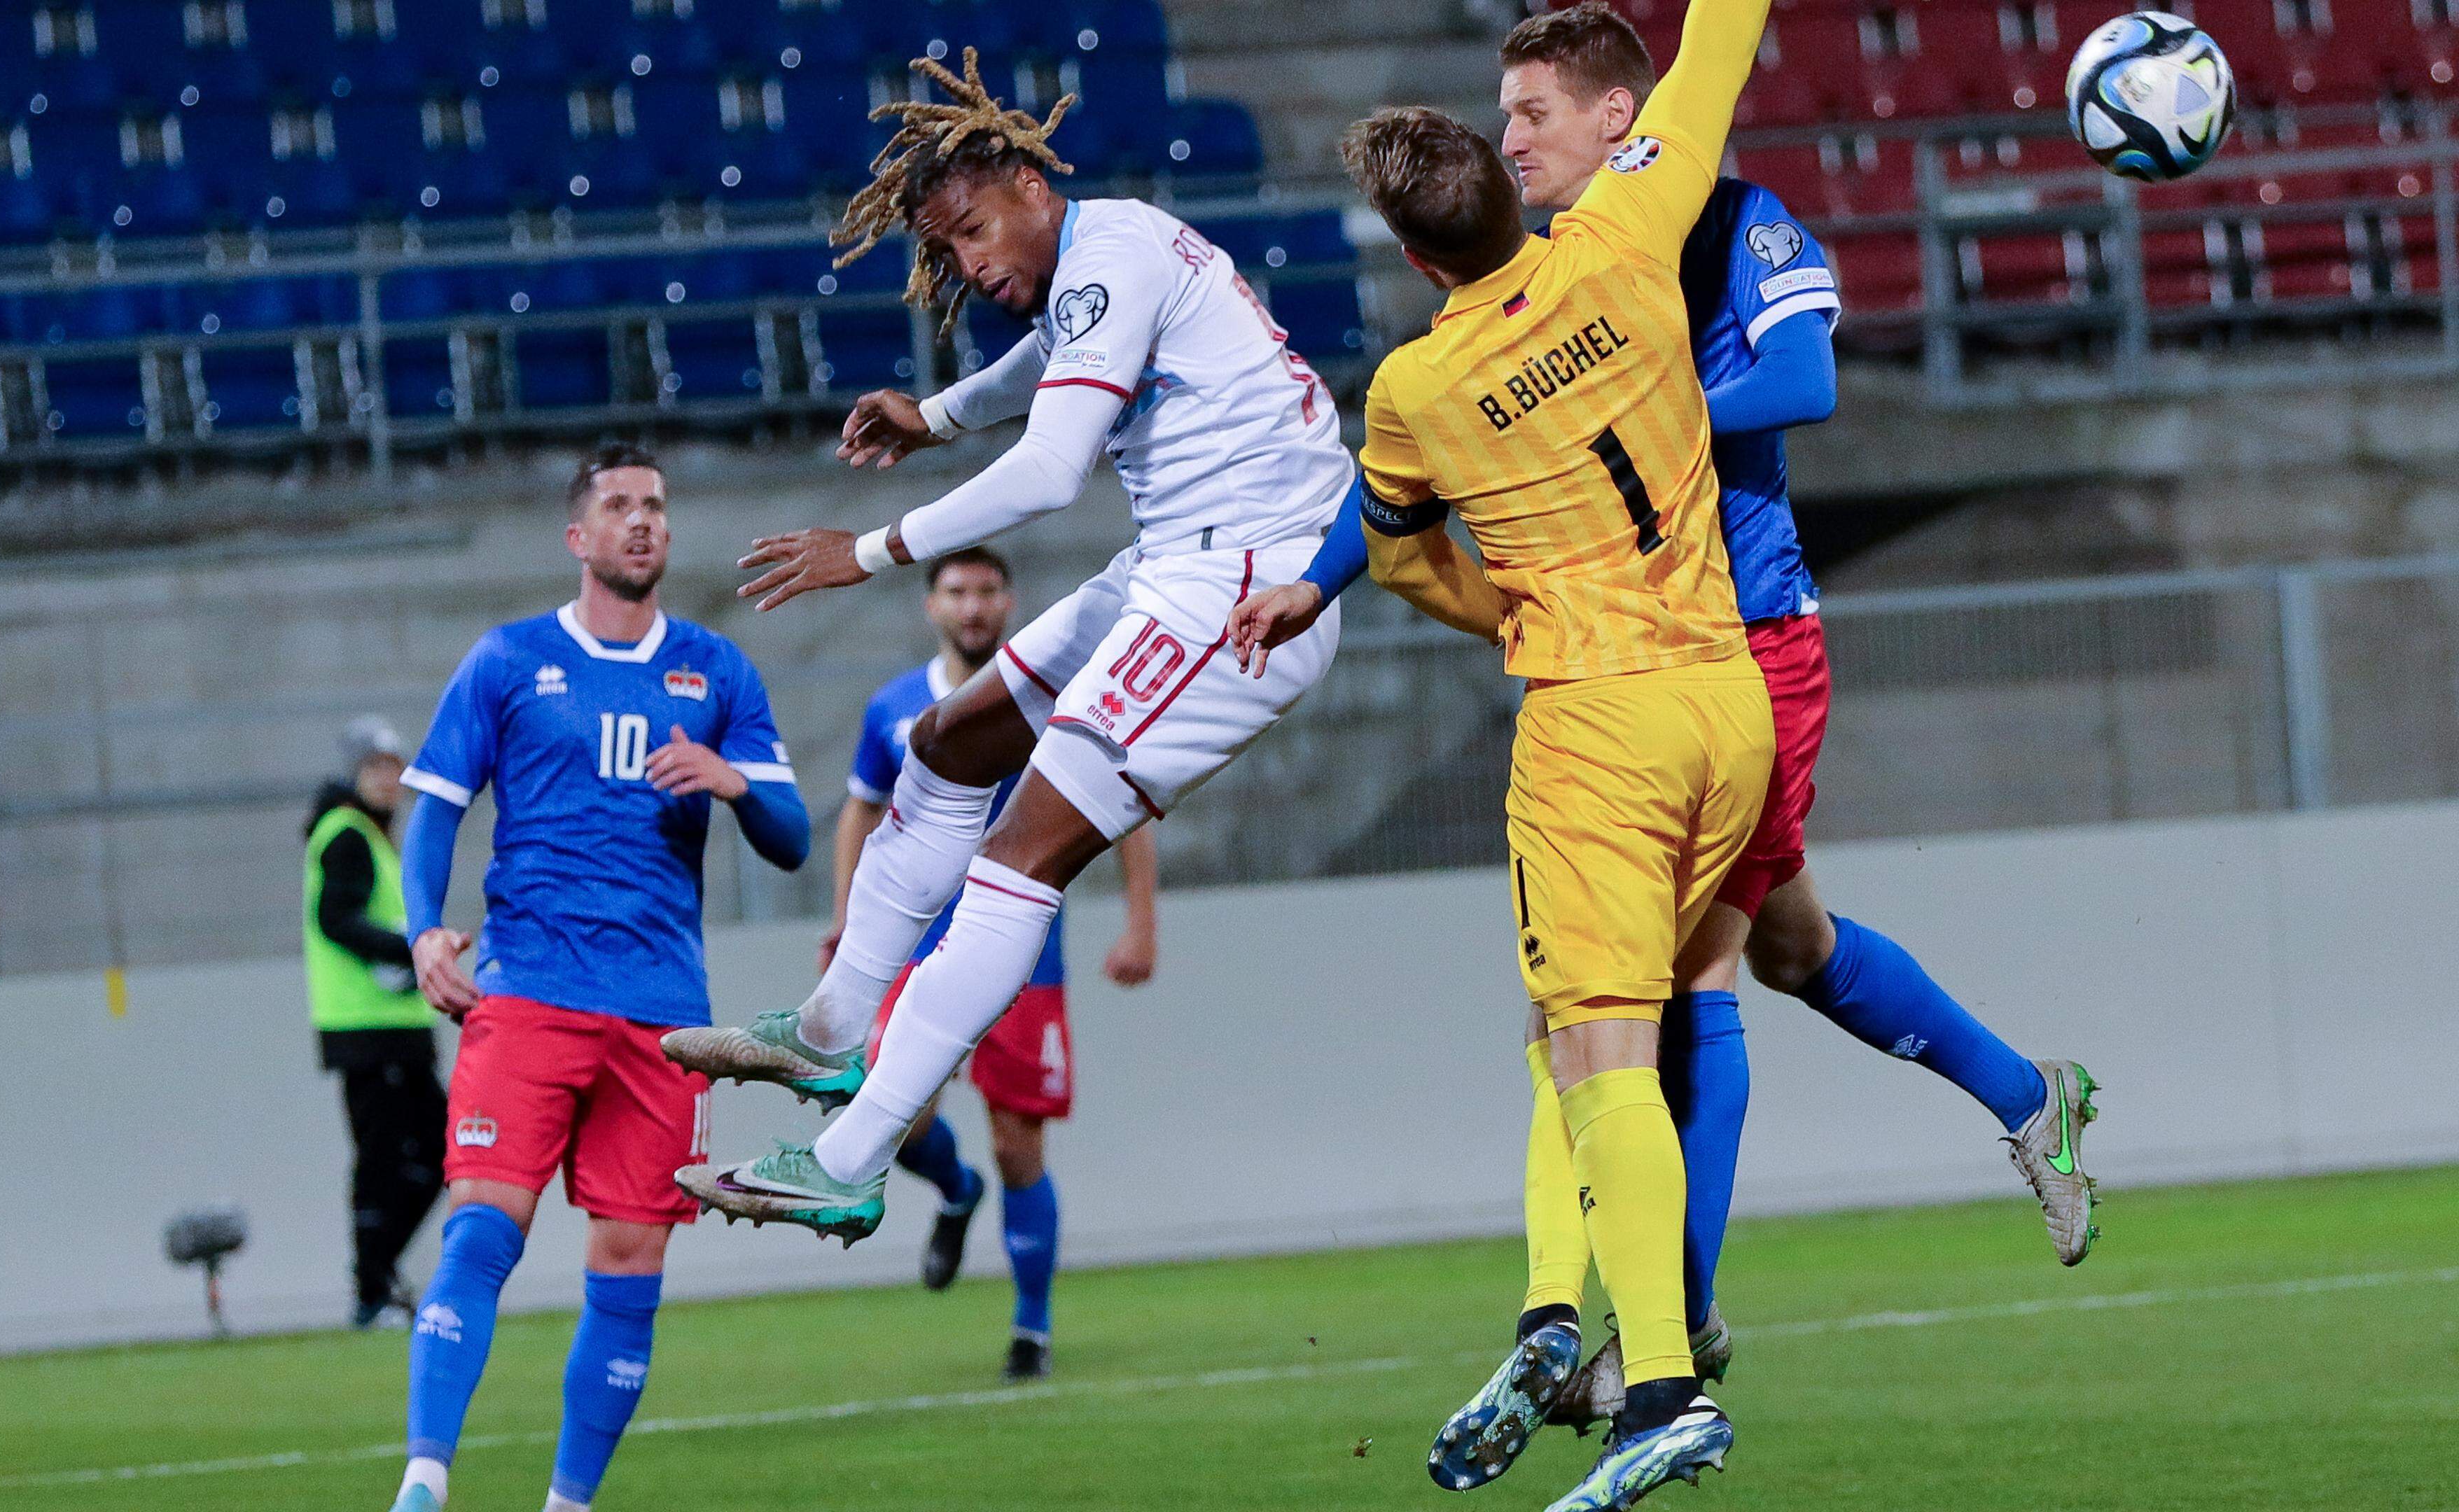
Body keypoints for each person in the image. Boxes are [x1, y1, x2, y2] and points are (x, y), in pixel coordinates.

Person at [1238, 4, 2104, 1486]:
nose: (1511, 136)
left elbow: (1807, 380)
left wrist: (1601, 415)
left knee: (1672, 990)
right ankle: (2024, 1095)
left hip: (1744, 638)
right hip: (1695, 665)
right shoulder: (1595, 255)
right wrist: (1324, 570)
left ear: (1611, 118)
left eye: (1532, 112)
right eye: (1500, 121)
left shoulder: (1711, 218)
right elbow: (1415, 487)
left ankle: (1665, 1341)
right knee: (1780, 952)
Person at [658, 48, 1353, 1247]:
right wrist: (933, 415)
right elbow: (1044, 371)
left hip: (1246, 588)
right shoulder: (1105, 255)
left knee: (1022, 852)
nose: (970, 269)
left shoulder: (1112, 257)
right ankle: (833, 1029)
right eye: (948, 253)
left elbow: (1048, 467)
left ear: (1032, 180)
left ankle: (848, 1157)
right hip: (1175, 567)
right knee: (946, 743)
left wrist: (867, 550)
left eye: (974, 233)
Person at [1237, 0, 1783, 1497]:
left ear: (1418, 262)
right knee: (1587, 1034)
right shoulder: (1631, 230)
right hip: (1725, 704)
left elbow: (1405, 561)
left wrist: (1506, 616)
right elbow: (1720, 36)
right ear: (1505, 178)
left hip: (1593, 727)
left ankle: (1661, 1382)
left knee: (1598, 1050)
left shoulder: (1414, 393)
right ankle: (1556, 1315)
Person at [383, 442, 810, 1512]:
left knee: (629, 1264)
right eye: (618, 507)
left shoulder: (718, 672)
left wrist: (732, 785)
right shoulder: (510, 660)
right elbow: (435, 801)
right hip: (528, 991)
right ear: (579, 537)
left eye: (655, 507)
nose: (641, 523)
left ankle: (568, 1505)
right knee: (484, 1222)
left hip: (663, 1018)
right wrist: (424, 930)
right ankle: (424, 1481)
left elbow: (794, 838)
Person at [831, 545, 1159, 1382]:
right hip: (916, 944)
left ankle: (1031, 1329)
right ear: (931, 606)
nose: (972, 607)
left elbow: (1125, 800)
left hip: (1027, 952)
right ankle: (953, 1189)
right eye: (956, 592)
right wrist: (847, 924)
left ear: (1010, 603)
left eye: (986, 591)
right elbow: (860, 812)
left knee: (1019, 1145)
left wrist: (1140, 923)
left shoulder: (1062, 699)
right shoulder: (893, 707)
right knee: (888, 1113)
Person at [301, 714, 445, 1331]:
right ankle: (371, 1288)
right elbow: (336, 918)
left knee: (437, 1152)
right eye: (376, 768)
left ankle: (380, 1276)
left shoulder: (374, 835)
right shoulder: (348, 834)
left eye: (394, 768)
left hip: (398, 1029)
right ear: (353, 773)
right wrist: (407, 950)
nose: (388, 780)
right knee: (384, 1158)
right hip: (366, 1032)